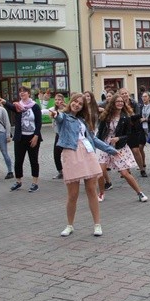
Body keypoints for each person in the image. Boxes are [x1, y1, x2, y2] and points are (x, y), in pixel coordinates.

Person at [49, 93, 117, 237]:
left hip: (88, 153)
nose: (77, 105)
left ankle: (97, 225)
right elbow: (59, 117)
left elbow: (93, 139)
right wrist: (56, 114)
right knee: (72, 194)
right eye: (75, 102)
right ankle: (69, 225)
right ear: (70, 102)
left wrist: (111, 150)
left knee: (91, 190)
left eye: (80, 104)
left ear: (82, 107)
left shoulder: (83, 121)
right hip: (71, 154)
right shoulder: (64, 117)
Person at [96, 94, 148, 202]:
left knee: (125, 173)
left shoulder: (125, 117)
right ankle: (101, 193)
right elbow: (99, 133)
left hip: (119, 146)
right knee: (100, 172)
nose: (120, 103)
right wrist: (96, 145)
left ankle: (140, 193)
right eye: (117, 101)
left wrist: (118, 138)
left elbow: (128, 134)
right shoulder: (105, 116)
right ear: (113, 104)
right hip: (105, 145)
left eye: (121, 101)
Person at [2, 86, 43, 192]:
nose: (22, 93)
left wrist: (36, 136)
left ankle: (35, 183)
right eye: (20, 92)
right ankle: (18, 181)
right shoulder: (18, 106)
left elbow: (39, 123)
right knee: (18, 161)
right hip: (20, 138)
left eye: (24, 91)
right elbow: (11, 107)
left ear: (29, 93)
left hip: (32, 137)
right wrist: (3, 101)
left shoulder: (35, 107)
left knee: (33, 160)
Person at [119, 88, 147, 177]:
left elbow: (138, 115)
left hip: (133, 129)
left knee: (135, 150)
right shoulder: (118, 104)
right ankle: (127, 170)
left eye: (125, 93)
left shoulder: (134, 103)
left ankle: (142, 169)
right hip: (122, 130)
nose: (124, 95)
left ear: (128, 94)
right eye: (122, 94)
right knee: (123, 150)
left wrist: (128, 118)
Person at [42, 93, 66, 179]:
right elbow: (42, 111)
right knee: (56, 154)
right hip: (58, 134)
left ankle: (71, 171)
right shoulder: (53, 109)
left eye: (59, 99)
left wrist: (65, 107)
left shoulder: (67, 109)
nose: (57, 101)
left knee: (68, 154)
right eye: (56, 99)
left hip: (67, 135)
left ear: (63, 100)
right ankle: (60, 171)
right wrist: (44, 101)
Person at [139, 91, 150, 176]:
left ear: (149, 98)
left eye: (145, 96)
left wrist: (146, 119)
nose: (144, 98)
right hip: (142, 129)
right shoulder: (140, 107)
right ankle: (142, 163)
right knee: (140, 147)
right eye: (143, 97)